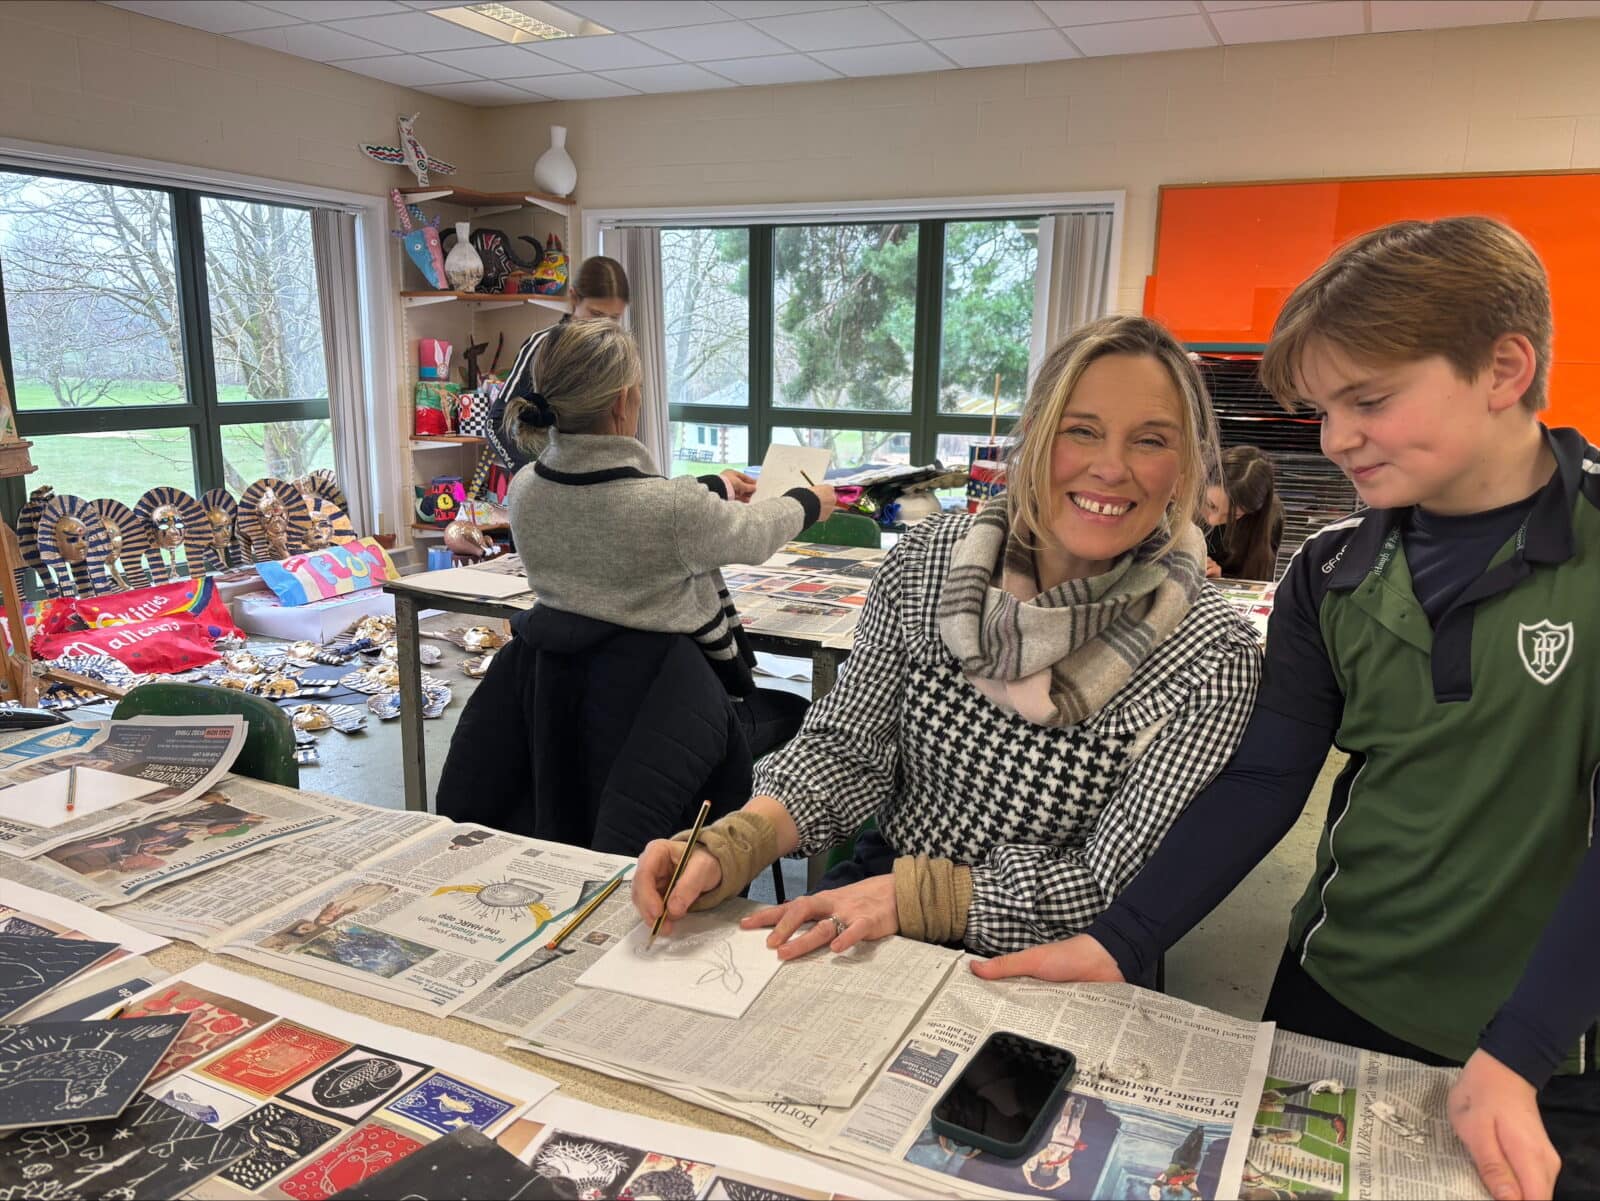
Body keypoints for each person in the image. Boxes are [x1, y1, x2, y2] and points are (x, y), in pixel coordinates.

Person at [973, 218, 1600, 1201]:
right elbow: (1267, 778)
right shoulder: (1329, 569)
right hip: (1338, 986)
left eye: (1368, 400)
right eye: (1321, 406)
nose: (1334, 436)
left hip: (1552, 1036)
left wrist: (1518, 1050)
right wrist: (1123, 937)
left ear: (1504, 368)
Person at [631, 315, 1261, 961]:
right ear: (1037, 437)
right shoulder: (928, 564)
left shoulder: (1211, 654)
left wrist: (915, 898)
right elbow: (851, 744)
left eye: (1150, 440)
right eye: (1082, 430)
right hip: (886, 878)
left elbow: (1109, 882)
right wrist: (734, 843)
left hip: (1055, 947)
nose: (1111, 467)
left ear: (1185, 468)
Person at [504, 317, 835, 756]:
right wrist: (809, 502)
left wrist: (715, 484)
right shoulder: (673, 511)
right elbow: (753, 533)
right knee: (806, 715)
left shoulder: (524, 487)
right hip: (672, 717)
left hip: (567, 711)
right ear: (623, 401)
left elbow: (612, 502)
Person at [487, 254, 634, 475]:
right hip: (547, 481)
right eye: (596, 314)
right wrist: (533, 475)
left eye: (614, 318)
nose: (603, 326)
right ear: (574, 298)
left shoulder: (618, 355)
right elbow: (495, 423)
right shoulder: (543, 345)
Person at [1202, 445, 1283, 580]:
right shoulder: (1181, 500)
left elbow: (1257, 581)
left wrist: (1220, 579)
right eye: (1211, 505)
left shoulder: (1270, 518)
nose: (1213, 520)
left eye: (1233, 516)